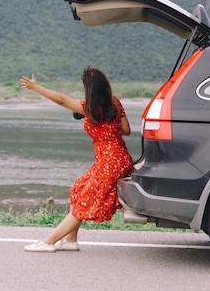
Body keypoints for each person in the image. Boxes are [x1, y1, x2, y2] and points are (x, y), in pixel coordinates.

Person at [20, 67, 134, 252]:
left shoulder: (87, 107)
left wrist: (37, 88)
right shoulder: (115, 103)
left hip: (110, 163)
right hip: (119, 157)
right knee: (79, 188)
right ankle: (70, 240)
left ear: (88, 89)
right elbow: (126, 131)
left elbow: (62, 100)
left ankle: (48, 242)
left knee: (85, 200)